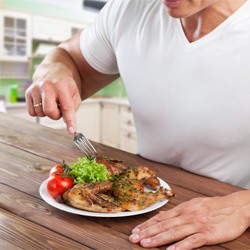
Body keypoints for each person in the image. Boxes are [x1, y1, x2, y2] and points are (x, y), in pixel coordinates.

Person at [25, 0, 250, 249]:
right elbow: (68, 58)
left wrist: (244, 207)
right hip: (134, 216)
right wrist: (52, 72)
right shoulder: (129, 8)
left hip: (228, 226)